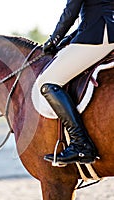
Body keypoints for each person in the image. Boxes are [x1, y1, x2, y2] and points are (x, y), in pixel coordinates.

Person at [38, 0, 114, 164]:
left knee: (47, 83)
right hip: (105, 30)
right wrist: (68, 39)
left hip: (98, 35)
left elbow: (71, 11)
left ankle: (81, 144)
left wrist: (54, 39)